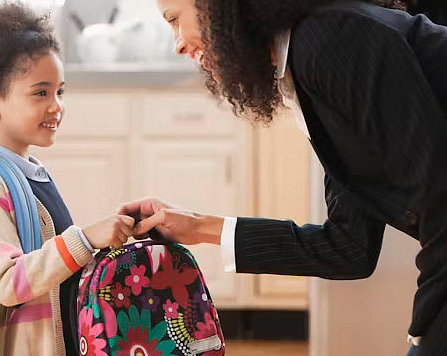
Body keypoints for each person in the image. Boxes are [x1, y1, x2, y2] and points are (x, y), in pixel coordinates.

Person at [118, 0, 447, 355]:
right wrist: (197, 227)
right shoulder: (308, 62)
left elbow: (440, 201)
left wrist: (424, 330)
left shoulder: (330, 40)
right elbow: (349, 247)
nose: (178, 43)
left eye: (175, 19)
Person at [0, 3, 134, 355]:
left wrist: (100, 241)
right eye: (41, 92)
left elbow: (52, 267)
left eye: (60, 91)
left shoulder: (28, 173)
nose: (57, 106)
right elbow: (9, 282)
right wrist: (84, 237)